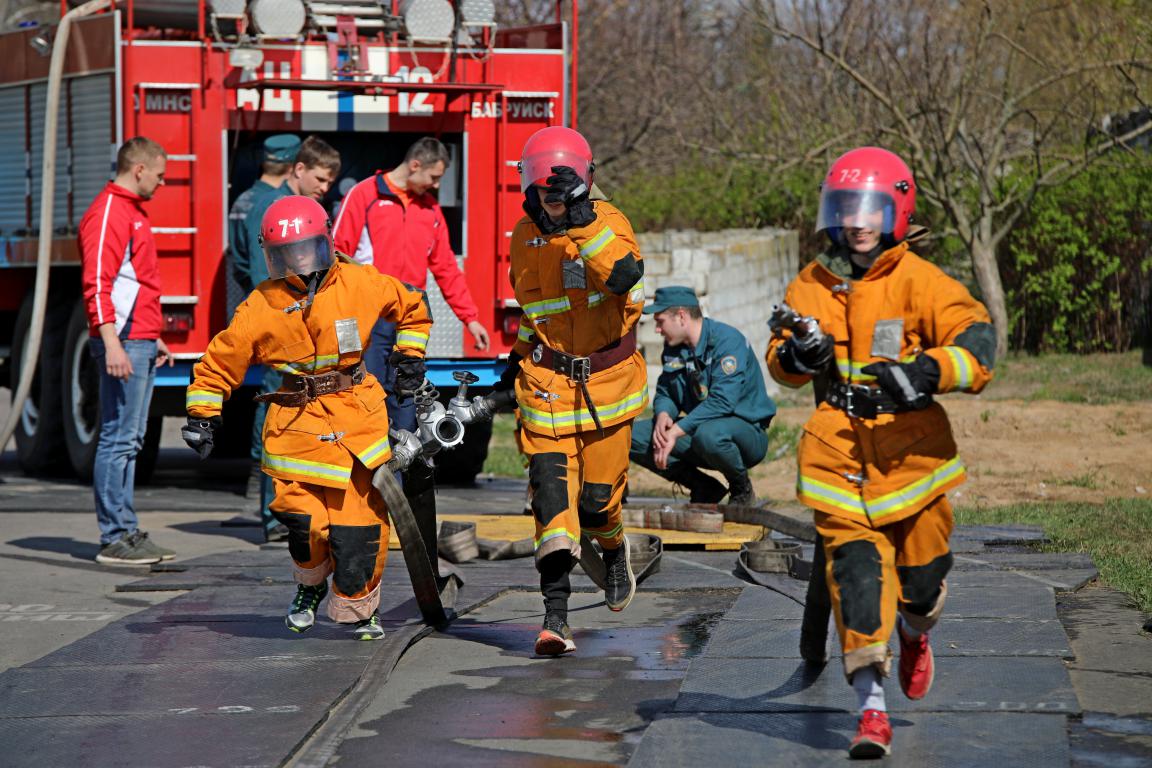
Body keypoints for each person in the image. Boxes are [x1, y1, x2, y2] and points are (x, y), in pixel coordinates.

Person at [765, 147, 996, 759]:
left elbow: (978, 340)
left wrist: (927, 371)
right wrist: (796, 357)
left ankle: (918, 634)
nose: (858, 221)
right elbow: (779, 361)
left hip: (913, 461)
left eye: (869, 209)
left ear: (896, 209)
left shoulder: (921, 280)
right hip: (837, 456)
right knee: (857, 580)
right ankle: (872, 714)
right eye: (846, 208)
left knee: (920, 583)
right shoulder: (811, 284)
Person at [182, 195, 432, 640]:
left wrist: (410, 355)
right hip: (296, 426)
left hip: (357, 421)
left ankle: (359, 609)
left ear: (326, 240)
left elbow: (413, 305)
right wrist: (203, 415)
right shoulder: (261, 305)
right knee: (304, 524)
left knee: (359, 532)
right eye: (285, 254)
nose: (298, 261)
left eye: (306, 249)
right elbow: (221, 360)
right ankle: (310, 588)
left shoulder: (361, 282)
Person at [494, 126, 647, 656]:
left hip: (607, 387)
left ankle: (614, 546)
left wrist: (581, 224)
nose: (550, 201)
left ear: (583, 183)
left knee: (598, 504)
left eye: (560, 190)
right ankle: (555, 618)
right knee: (554, 507)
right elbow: (538, 314)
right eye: (542, 191)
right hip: (547, 388)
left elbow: (625, 277)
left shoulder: (609, 224)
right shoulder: (522, 235)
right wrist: (512, 367)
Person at [331, 137, 489, 558]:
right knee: (363, 400)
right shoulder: (364, 196)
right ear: (415, 164)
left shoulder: (429, 209)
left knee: (406, 402)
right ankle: (357, 498)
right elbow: (337, 253)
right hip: (369, 317)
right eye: (434, 176)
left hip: (410, 318)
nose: (436, 185)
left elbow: (445, 267)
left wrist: (469, 317)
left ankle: (395, 501)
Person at [237, 135, 342, 542]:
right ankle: (273, 515)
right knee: (280, 414)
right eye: (319, 178)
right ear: (297, 168)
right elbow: (261, 269)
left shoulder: (257, 199)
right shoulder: (272, 208)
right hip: (281, 321)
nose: (324, 188)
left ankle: (282, 512)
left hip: (283, 316)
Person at [80, 137, 175, 565]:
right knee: (119, 439)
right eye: (159, 173)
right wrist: (112, 340)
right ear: (138, 170)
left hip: (137, 337)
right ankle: (115, 535)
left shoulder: (130, 211)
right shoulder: (109, 213)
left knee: (130, 439)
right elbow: (97, 282)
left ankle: (127, 531)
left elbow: (132, 283)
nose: (162, 182)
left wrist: (151, 332)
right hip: (122, 341)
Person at [629, 286, 776, 506]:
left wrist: (676, 431)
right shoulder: (674, 347)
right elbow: (666, 391)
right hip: (698, 430)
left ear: (681, 317)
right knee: (630, 437)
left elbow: (722, 402)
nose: (658, 329)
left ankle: (741, 489)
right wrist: (663, 415)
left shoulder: (727, 341)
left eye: (660, 321)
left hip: (745, 434)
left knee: (709, 435)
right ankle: (703, 487)